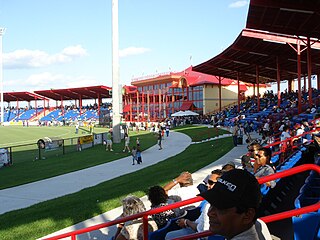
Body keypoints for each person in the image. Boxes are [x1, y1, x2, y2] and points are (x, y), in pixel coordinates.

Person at [200, 169, 272, 240]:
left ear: (248, 215)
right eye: (211, 205)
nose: (210, 213)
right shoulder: (259, 225)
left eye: (220, 208)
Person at [165, 170, 223, 239]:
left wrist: (177, 180)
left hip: (198, 233)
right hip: (195, 224)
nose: (207, 184)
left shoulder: (209, 206)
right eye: (208, 181)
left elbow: (203, 232)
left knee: (168, 236)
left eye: (210, 182)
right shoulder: (197, 190)